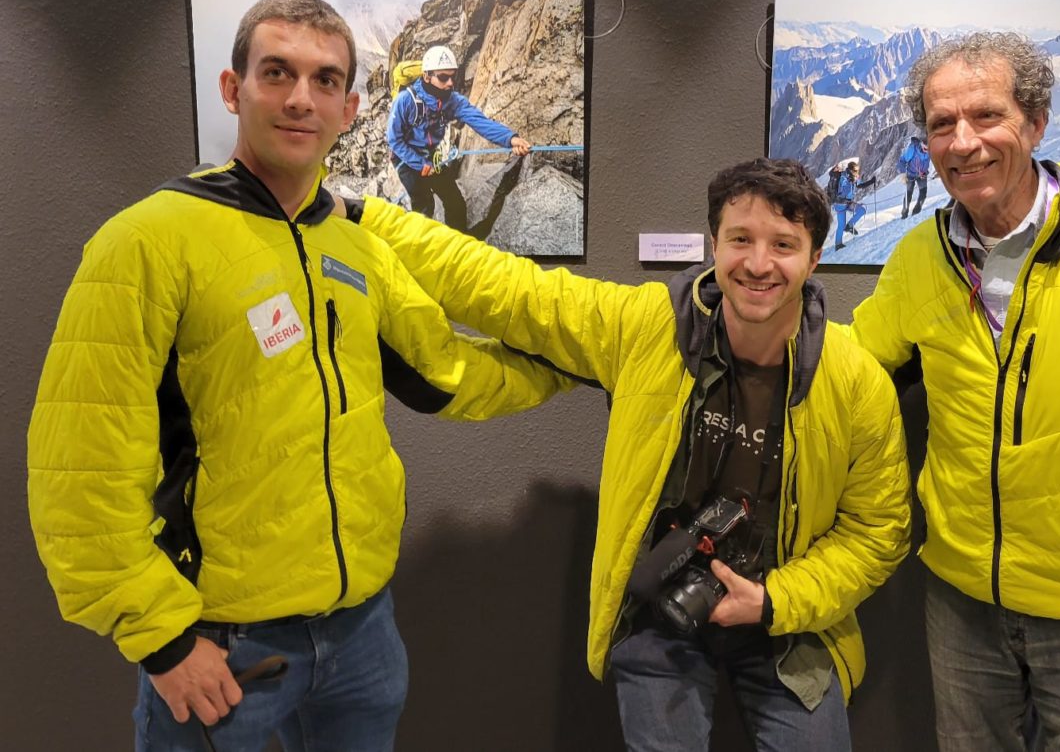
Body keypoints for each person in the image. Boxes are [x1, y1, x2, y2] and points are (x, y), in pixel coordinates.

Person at [27, 0, 569, 752]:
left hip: (362, 634)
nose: (298, 99)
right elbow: (79, 468)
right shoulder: (145, 244)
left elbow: (446, 375)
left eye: (323, 81)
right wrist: (162, 641)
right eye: (276, 72)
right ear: (233, 87)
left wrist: (573, 365)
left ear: (349, 107)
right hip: (223, 643)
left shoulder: (357, 248)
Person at [338, 158, 911, 750]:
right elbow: (509, 290)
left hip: (789, 620)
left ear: (814, 258)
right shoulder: (648, 327)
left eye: (784, 244)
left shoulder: (855, 383)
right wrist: (366, 216)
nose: (758, 264)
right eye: (740, 239)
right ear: (714, 243)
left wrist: (773, 602)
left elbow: (876, 534)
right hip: (661, 604)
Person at [849, 31, 1060, 751]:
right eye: (942, 124)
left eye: (986, 116)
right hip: (961, 599)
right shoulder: (921, 255)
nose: (962, 142)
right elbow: (854, 367)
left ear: (1035, 124)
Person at [385, 44, 532, 231]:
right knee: (424, 205)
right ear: (427, 76)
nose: (450, 83)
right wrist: (420, 165)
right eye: (443, 77)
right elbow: (394, 139)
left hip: (430, 156)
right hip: (405, 159)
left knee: (455, 203)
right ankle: (421, 248)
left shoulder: (452, 101)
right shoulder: (405, 101)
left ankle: (459, 246)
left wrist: (511, 139)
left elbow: (480, 122)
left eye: (452, 77)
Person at [831, 161, 875, 250]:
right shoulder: (843, 177)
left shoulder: (853, 178)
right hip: (840, 204)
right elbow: (841, 190)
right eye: (855, 170)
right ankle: (838, 244)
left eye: (857, 170)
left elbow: (860, 185)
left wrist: (871, 181)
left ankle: (849, 226)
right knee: (841, 225)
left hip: (847, 203)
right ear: (850, 170)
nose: (857, 172)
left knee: (862, 210)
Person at [898, 134, 930, 218]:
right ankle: (904, 214)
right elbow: (902, 160)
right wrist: (903, 174)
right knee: (908, 194)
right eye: (925, 147)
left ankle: (916, 213)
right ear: (921, 144)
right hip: (910, 174)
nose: (927, 150)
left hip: (922, 174)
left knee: (923, 193)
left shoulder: (930, 151)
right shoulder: (912, 149)